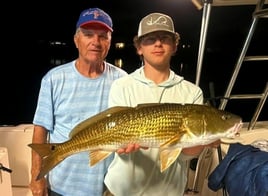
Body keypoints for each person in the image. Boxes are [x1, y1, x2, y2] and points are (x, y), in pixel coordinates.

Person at [104, 12, 220, 196]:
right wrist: (119, 145)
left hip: (169, 191)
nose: (158, 43)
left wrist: (205, 141)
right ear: (139, 48)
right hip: (122, 190)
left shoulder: (192, 92)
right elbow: (115, 137)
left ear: (174, 46)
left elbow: (184, 154)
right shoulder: (122, 86)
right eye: (150, 39)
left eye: (165, 38)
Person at [29, 7, 128, 196]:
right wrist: (37, 176)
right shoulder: (54, 79)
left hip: (107, 188)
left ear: (109, 41)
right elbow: (40, 129)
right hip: (61, 187)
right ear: (76, 40)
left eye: (102, 36)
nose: (95, 42)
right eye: (88, 34)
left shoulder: (122, 80)